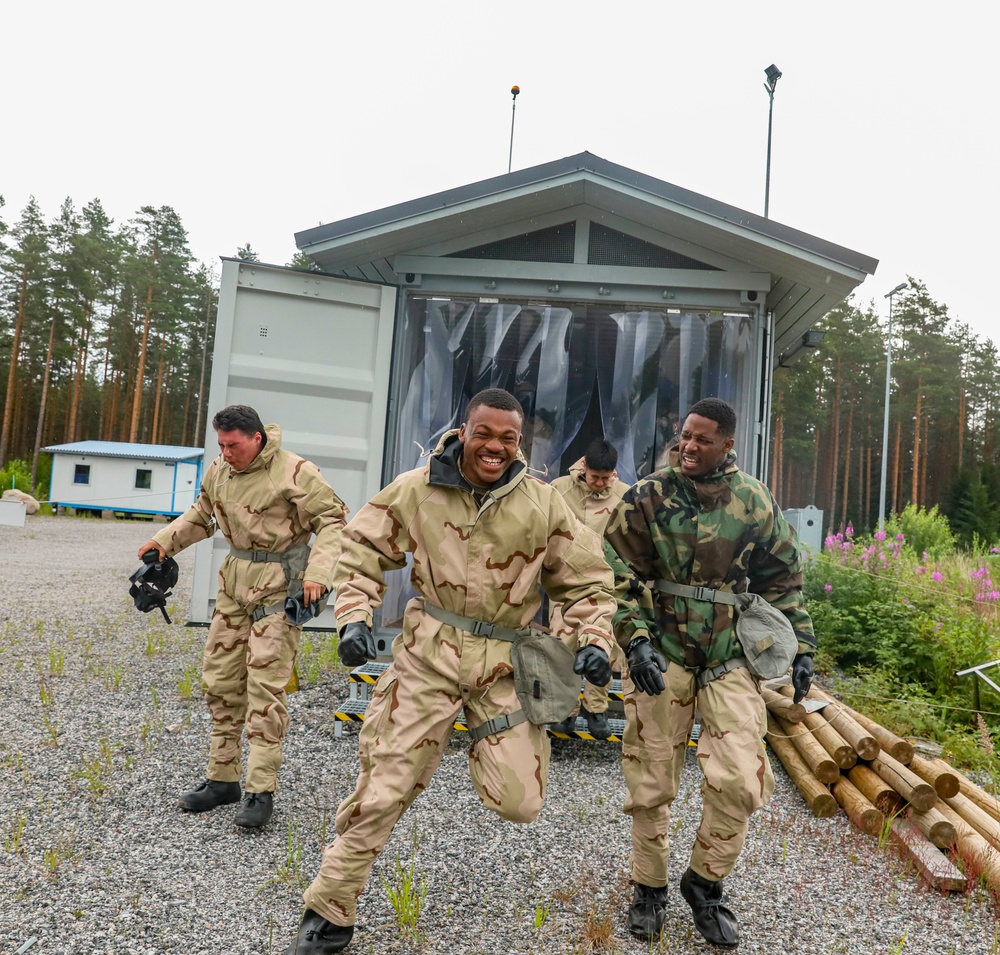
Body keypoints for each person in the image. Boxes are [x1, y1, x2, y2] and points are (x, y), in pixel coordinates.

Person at [286, 387, 617, 954]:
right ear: (465, 431)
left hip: (505, 665)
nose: (495, 447)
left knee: (521, 801)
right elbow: (362, 549)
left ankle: (466, 743)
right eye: (484, 433)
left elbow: (587, 579)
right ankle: (330, 907)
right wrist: (355, 617)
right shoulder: (419, 489)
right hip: (428, 656)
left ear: (521, 443)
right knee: (386, 786)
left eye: (509, 438)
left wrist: (594, 638)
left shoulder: (542, 502)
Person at [603, 397, 816, 948]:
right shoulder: (648, 495)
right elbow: (615, 572)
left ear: (728, 443)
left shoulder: (753, 498)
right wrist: (637, 640)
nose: (688, 446)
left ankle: (705, 883)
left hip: (728, 654)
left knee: (742, 779)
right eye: (684, 436)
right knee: (651, 777)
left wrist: (803, 647)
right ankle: (648, 887)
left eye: (702, 438)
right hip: (662, 650)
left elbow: (782, 580)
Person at [137, 404, 347, 829]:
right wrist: (163, 543)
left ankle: (260, 789)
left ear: (256, 438)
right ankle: (222, 779)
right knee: (220, 682)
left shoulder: (295, 471)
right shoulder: (219, 470)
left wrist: (320, 574)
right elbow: (202, 514)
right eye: (221, 445)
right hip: (234, 589)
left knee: (265, 689)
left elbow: (333, 521)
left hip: (279, 588)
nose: (226, 452)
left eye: (233, 445)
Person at [548, 437, 630, 739]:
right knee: (563, 647)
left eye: (605, 478)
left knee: (601, 647)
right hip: (565, 582)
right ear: (584, 467)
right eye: (595, 477)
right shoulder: (559, 490)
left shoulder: (625, 496)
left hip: (606, 582)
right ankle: (565, 712)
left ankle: (595, 710)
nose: (599, 483)